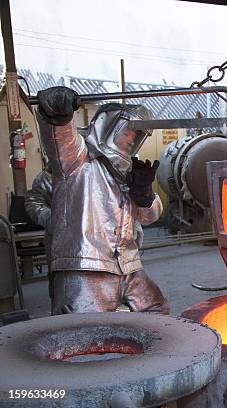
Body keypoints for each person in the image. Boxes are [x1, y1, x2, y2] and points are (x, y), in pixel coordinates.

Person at [36, 86, 169, 315]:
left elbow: (150, 217)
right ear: (108, 125)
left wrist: (145, 195)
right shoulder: (78, 161)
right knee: (83, 334)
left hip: (126, 265)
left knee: (157, 311)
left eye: (137, 136)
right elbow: (60, 139)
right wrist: (56, 116)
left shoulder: (128, 173)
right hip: (86, 264)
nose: (132, 139)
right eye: (127, 131)